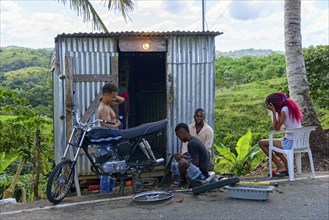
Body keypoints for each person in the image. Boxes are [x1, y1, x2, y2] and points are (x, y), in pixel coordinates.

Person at [258, 92, 303, 176]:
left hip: (291, 142)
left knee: (262, 143)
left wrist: (274, 112)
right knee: (273, 144)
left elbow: (276, 128)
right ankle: (286, 165)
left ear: (273, 104)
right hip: (299, 140)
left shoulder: (284, 110)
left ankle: (281, 166)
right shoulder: (291, 107)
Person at [98, 83, 121, 193]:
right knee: (107, 168)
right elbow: (108, 127)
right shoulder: (104, 109)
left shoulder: (108, 105)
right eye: (112, 97)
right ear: (106, 95)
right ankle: (105, 193)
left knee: (112, 167)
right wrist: (117, 124)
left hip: (111, 141)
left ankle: (110, 192)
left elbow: (122, 100)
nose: (114, 99)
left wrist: (114, 95)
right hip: (106, 142)